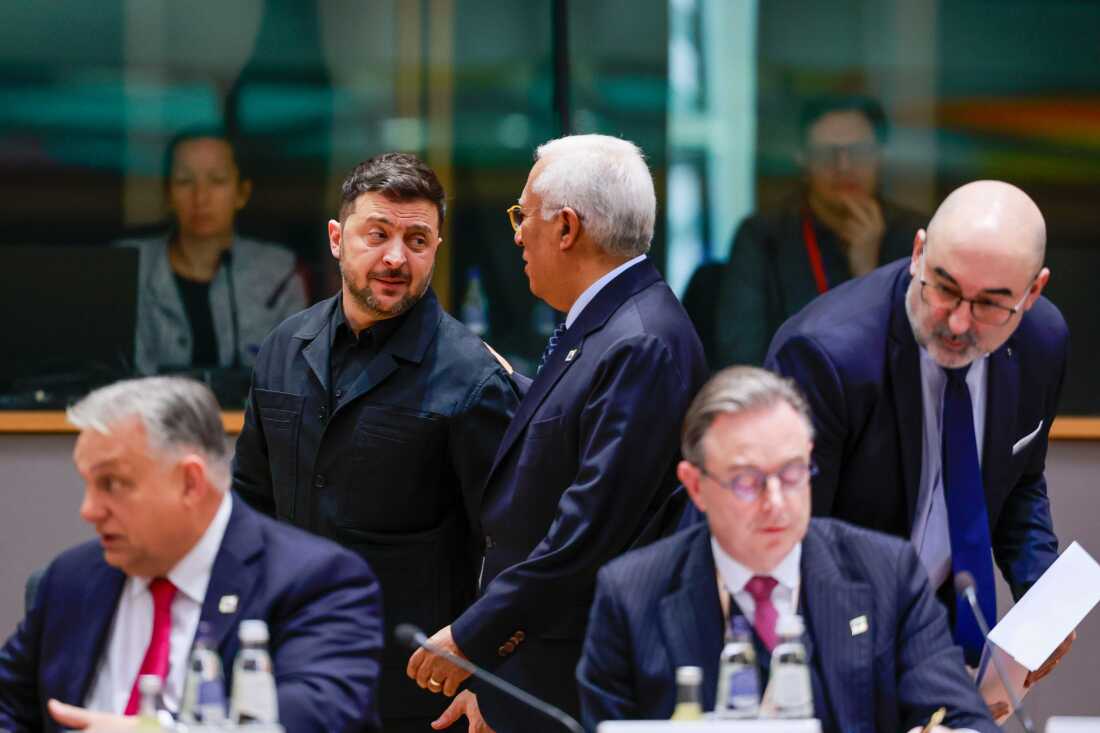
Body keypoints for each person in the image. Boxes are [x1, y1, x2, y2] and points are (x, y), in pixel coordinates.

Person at [407, 134, 708, 732]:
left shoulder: (640, 340)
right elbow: (570, 434)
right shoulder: (604, 324)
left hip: (585, 677)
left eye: (524, 215)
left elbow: (589, 531)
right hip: (541, 666)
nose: (516, 234)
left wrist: (475, 639)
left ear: (566, 228)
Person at [232, 152, 519, 732]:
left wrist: (494, 676)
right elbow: (248, 503)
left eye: (417, 239)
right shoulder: (286, 346)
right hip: (287, 669)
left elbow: (512, 546)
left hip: (413, 689)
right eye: (378, 234)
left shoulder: (473, 378)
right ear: (338, 239)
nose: (395, 257)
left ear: (436, 248)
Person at [577, 366, 998, 732]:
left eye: (793, 473)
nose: (775, 502)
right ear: (695, 485)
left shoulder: (886, 572)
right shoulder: (631, 596)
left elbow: (963, 716)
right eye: (746, 480)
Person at [766, 180, 1074, 675]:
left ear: (1033, 292)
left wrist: (1044, 594)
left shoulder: (1043, 342)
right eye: (946, 288)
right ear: (918, 253)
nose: (957, 323)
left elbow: (1019, 483)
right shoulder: (826, 354)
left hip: (946, 633)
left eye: (990, 304)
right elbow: (791, 541)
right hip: (835, 634)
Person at [0, 376, 383, 733]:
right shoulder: (71, 579)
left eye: (111, 484)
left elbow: (313, 718)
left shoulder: (314, 581)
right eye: (88, 485)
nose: (89, 510)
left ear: (189, 483)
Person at [714, 95, 925, 366]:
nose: (844, 166)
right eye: (827, 154)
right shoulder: (763, 236)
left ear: (880, 156)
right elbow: (741, 357)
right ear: (803, 159)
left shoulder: (913, 234)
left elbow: (916, 357)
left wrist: (868, 275)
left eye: (858, 152)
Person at [120, 127, 307, 376]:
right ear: (167, 194)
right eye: (185, 181)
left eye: (217, 181)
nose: (201, 197)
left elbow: (293, 375)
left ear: (242, 193)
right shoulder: (127, 267)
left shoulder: (278, 273)